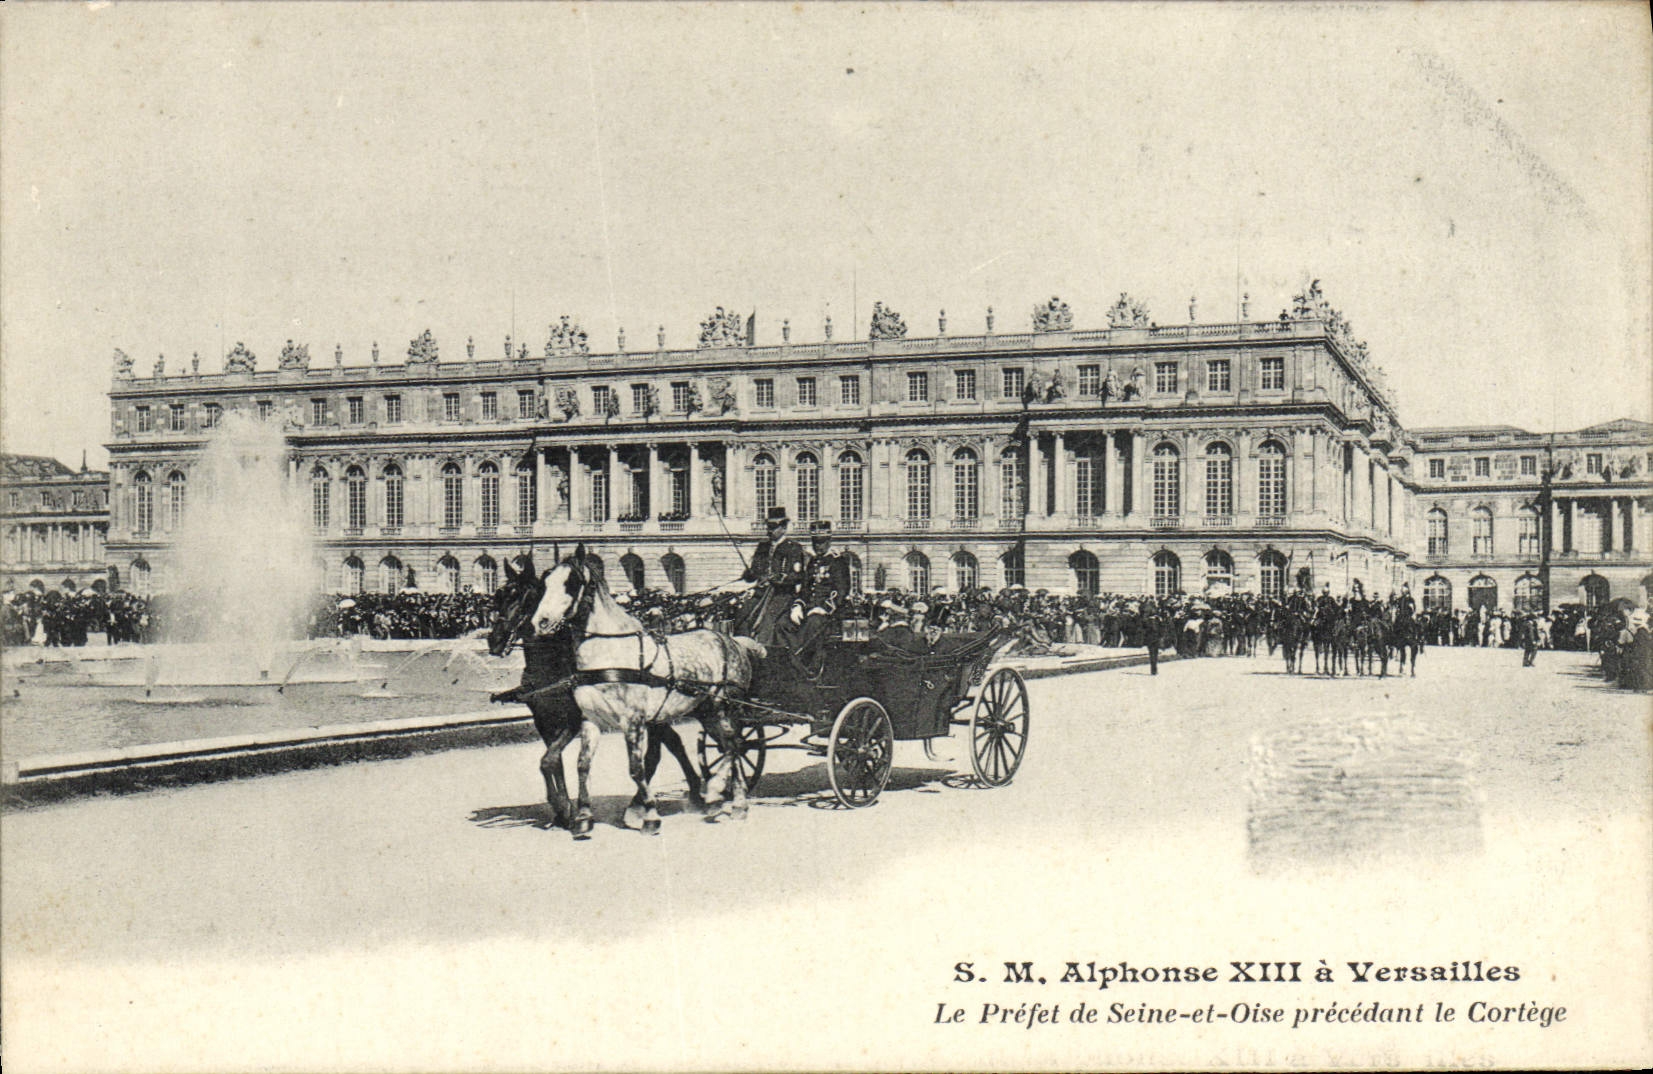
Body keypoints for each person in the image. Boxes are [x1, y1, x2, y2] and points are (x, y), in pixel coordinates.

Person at [783, 520, 853, 673]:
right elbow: (805, 589)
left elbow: (841, 590)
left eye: (821, 542)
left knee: (814, 623)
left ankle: (801, 664)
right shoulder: (813, 562)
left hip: (830, 614)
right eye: (815, 542)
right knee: (783, 623)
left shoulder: (837, 561)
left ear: (829, 541)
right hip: (809, 610)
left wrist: (823, 608)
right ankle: (785, 659)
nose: (818, 546)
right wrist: (798, 605)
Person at [734, 505, 806, 644]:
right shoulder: (763, 547)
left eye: (773, 527)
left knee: (766, 621)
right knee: (741, 616)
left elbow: (797, 576)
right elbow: (754, 573)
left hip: (782, 595)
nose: (770, 530)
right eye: (768, 526)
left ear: (784, 528)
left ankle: (764, 653)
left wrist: (778, 578)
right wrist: (749, 574)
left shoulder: (793, 548)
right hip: (761, 593)